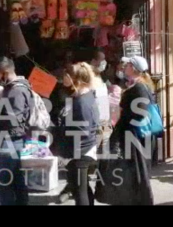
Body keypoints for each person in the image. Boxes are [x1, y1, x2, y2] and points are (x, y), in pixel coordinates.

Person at [108, 56, 154, 205]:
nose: (124, 67)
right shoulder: (136, 85)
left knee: (138, 170)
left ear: (133, 68)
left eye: (127, 65)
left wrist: (124, 115)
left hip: (135, 135)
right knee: (134, 171)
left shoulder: (139, 87)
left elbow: (140, 112)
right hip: (132, 134)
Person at [59, 62, 98, 206]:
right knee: (82, 188)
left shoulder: (83, 101)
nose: (63, 77)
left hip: (81, 151)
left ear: (75, 78)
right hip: (79, 150)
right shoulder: (78, 96)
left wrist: (70, 154)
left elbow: (83, 131)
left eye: (66, 75)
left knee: (79, 190)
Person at [0, 57, 32, 205]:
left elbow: (14, 119)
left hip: (10, 140)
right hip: (12, 140)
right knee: (16, 178)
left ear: (4, 73)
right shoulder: (14, 88)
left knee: (3, 181)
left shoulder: (16, 91)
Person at [92, 67, 112, 157]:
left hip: (99, 123)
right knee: (104, 151)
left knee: (94, 151)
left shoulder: (96, 88)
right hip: (105, 121)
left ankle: (97, 169)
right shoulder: (103, 86)